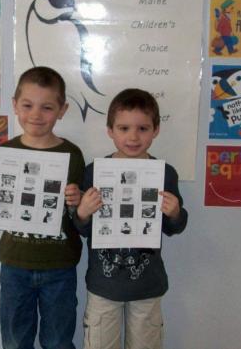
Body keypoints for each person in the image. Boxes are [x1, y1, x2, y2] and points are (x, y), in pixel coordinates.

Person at [0, 66, 85, 349]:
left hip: (60, 265)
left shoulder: (72, 154)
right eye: (27, 105)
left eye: (47, 107)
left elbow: (78, 213)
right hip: (15, 263)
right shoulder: (5, 152)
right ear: (15, 105)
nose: (36, 114)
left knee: (59, 340)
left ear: (62, 110)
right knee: (15, 339)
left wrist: (77, 201)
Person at [74, 88, 188, 349]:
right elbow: (80, 227)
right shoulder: (94, 172)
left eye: (142, 128)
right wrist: (82, 212)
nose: (133, 137)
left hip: (148, 286)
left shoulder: (165, 174)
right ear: (110, 130)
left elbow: (176, 227)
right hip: (104, 285)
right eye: (124, 128)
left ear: (156, 130)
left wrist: (175, 212)